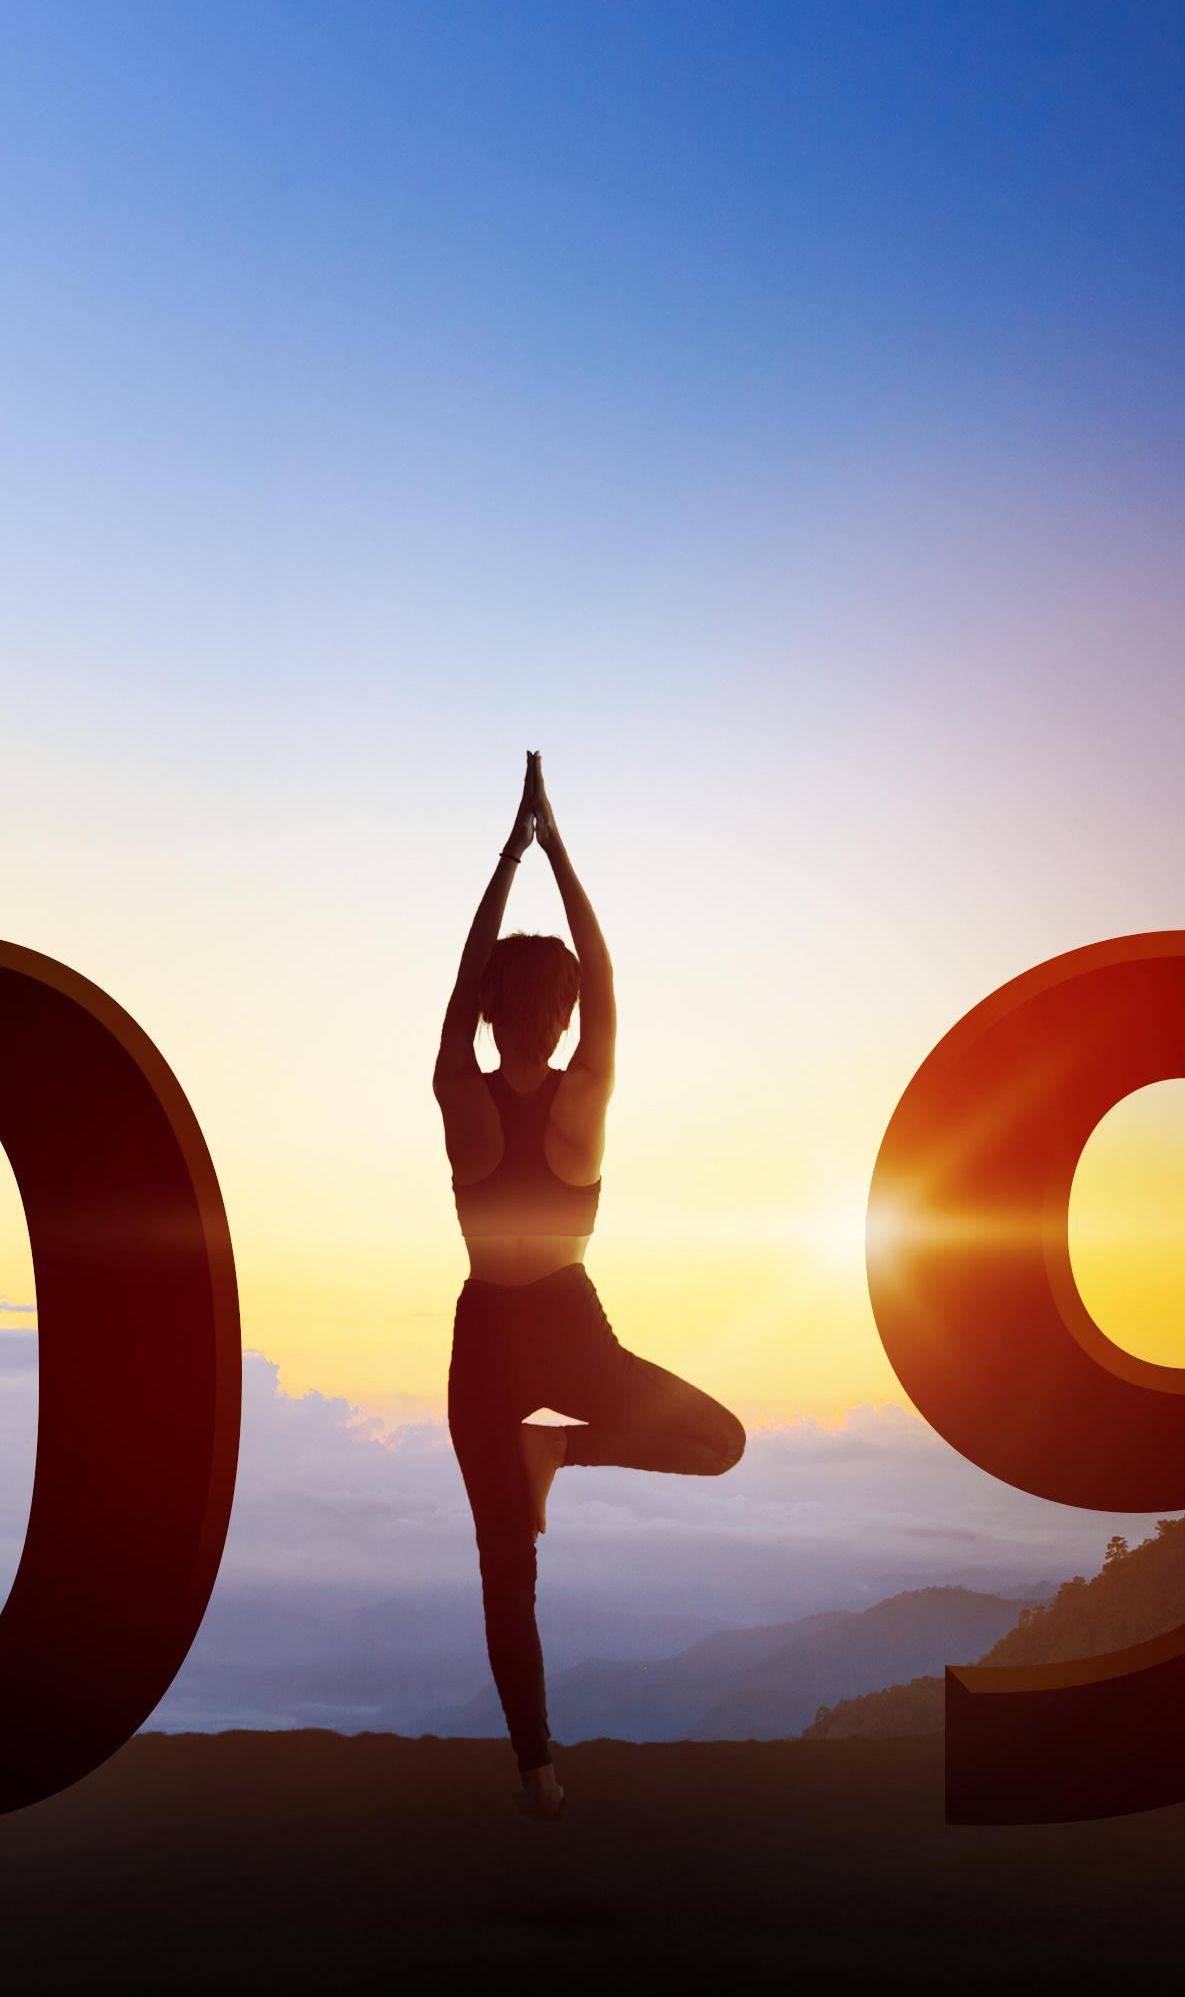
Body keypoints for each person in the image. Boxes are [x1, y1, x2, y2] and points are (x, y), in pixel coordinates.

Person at [437, 754, 745, 1823]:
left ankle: (538, 1774)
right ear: (562, 1018)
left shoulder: (455, 1090)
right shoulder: (587, 1092)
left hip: (486, 1336)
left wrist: (504, 859)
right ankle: (569, 1440)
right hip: (572, 1334)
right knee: (721, 1441)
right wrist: (556, 849)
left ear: (483, 1013)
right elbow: (610, 982)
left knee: (502, 1566)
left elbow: (464, 979)